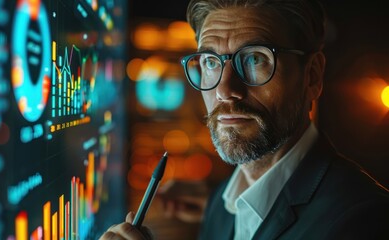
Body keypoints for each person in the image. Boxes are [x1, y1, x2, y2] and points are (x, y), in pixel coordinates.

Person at [99, 0, 389, 239]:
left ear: (311, 76)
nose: (225, 90)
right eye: (211, 62)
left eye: (254, 59)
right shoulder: (221, 201)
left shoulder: (362, 220)